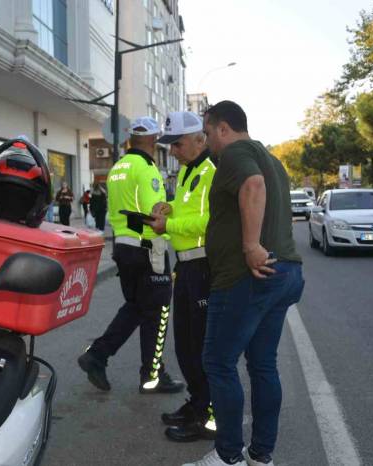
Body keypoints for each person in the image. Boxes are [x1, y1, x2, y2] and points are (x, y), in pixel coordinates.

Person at [182, 101, 304, 466]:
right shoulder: (272, 159)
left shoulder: (236, 153)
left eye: (207, 133)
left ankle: (228, 456)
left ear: (223, 128)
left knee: (218, 363)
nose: (206, 143)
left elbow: (253, 186)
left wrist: (250, 246)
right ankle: (261, 455)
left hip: (246, 277)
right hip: (283, 274)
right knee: (263, 365)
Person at [77, 116, 184, 395]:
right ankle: (151, 375)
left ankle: (98, 356)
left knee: (137, 307)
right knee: (157, 312)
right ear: (150, 141)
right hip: (148, 248)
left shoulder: (118, 168)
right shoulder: (146, 167)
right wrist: (175, 215)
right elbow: (154, 212)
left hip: (124, 248)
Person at [149, 111, 217, 442]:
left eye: (176, 144)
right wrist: (168, 207)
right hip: (186, 266)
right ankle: (197, 404)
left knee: (201, 347)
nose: (172, 151)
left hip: (204, 267)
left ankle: (207, 417)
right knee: (185, 345)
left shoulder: (212, 170)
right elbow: (190, 211)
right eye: (170, 146)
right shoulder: (190, 170)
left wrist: (169, 225)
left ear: (199, 139)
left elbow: (210, 222)